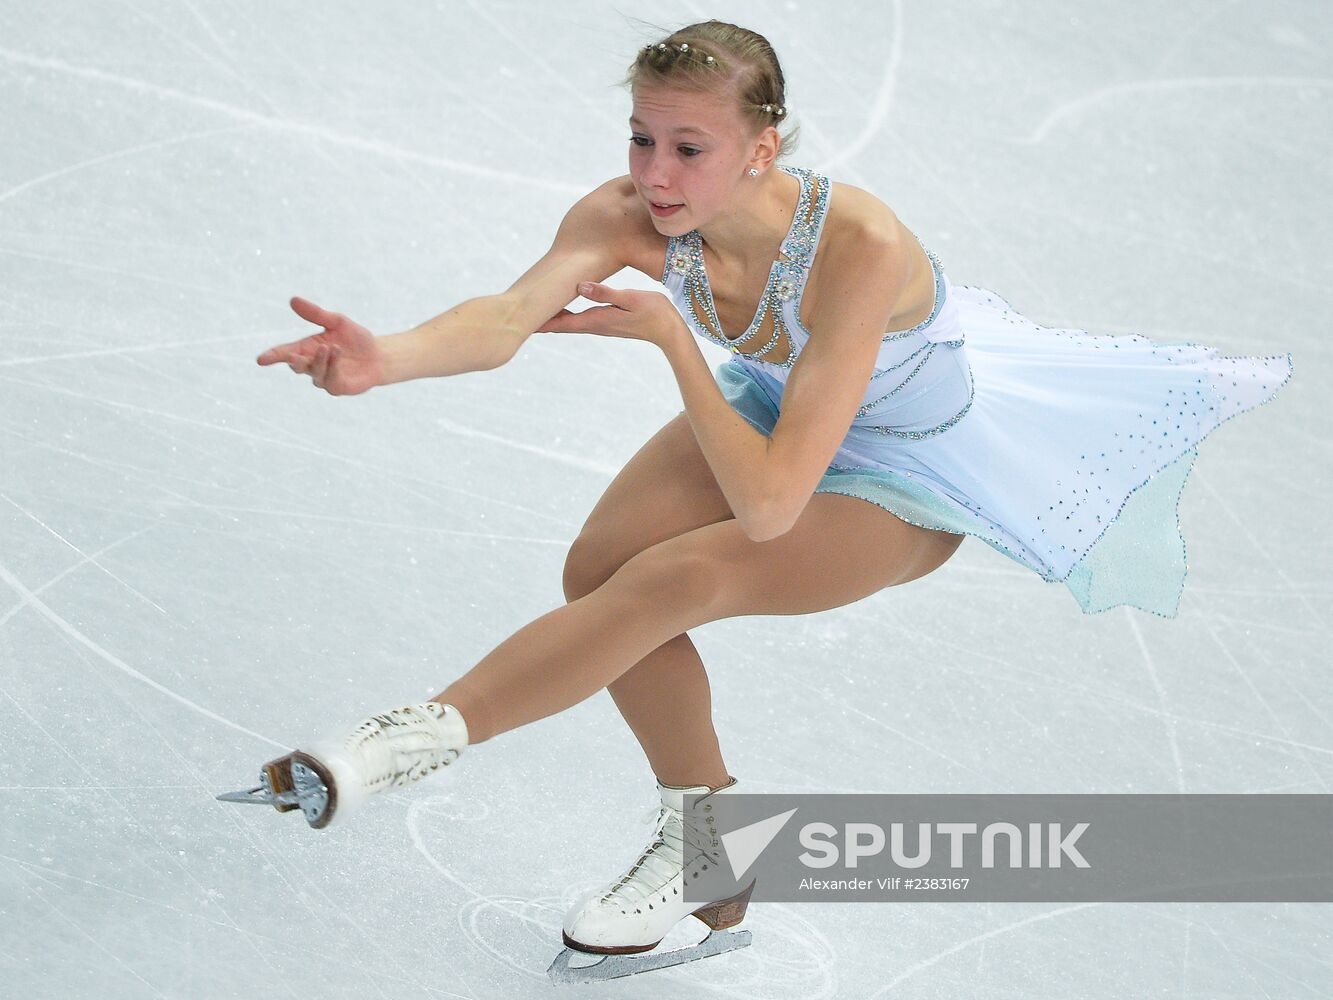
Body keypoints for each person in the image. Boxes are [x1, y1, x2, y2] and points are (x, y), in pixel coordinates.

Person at [228, 19, 1294, 962]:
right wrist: (392, 356)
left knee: (675, 577)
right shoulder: (627, 212)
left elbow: (773, 508)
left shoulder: (860, 246)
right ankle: (713, 847)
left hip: (905, 471)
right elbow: (505, 317)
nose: (656, 172)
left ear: (761, 150)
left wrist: (671, 346)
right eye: (642, 138)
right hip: (778, 418)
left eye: (689, 148)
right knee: (596, 570)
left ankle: (408, 741)